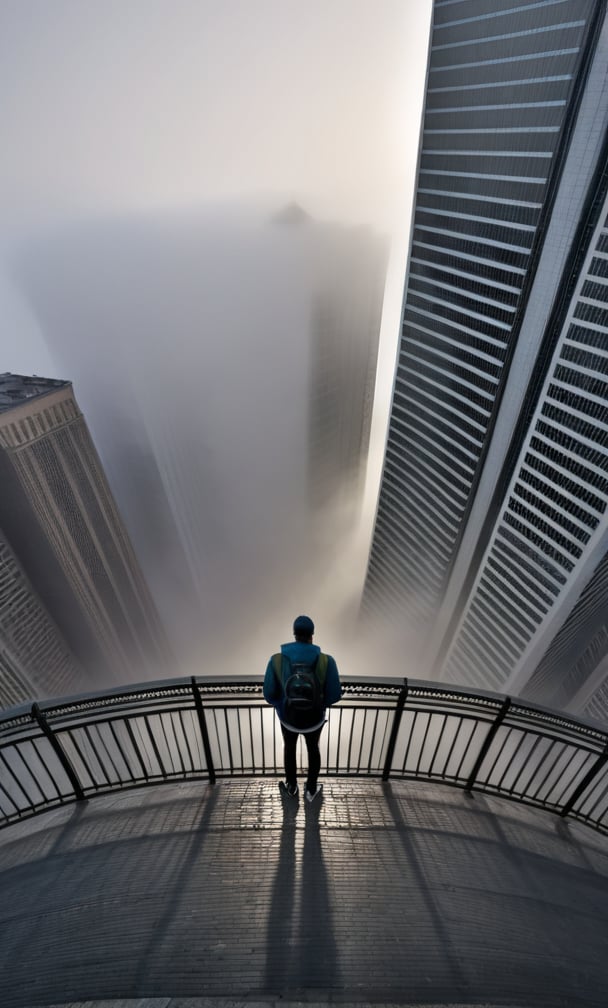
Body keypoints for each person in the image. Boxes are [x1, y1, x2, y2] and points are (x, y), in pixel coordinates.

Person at [263, 614, 341, 803]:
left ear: (294, 634)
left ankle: (291, 787)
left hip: (288, 719)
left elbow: (269, 694)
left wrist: (283, 704)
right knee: (313, 749)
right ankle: (311, 790)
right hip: (314, 720)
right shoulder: (326, 661)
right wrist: (318, 704)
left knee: (289, 748)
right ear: (312, 635)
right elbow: (334, 694)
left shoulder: (277, 660)